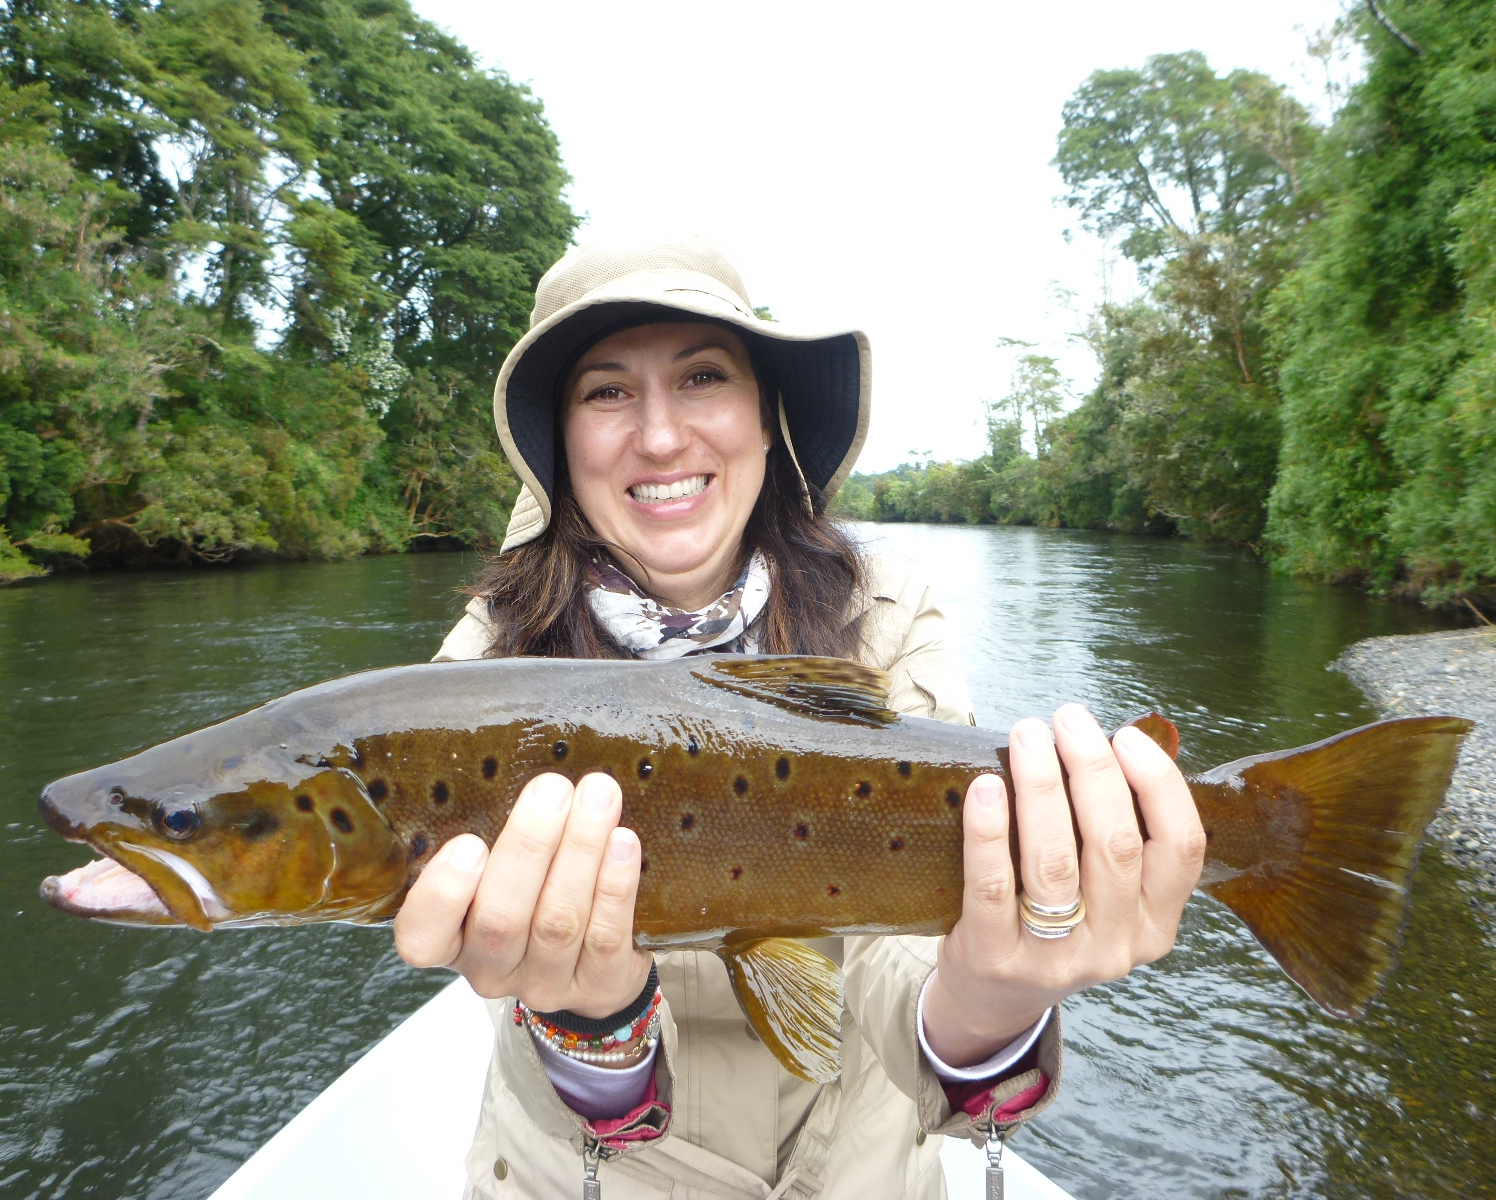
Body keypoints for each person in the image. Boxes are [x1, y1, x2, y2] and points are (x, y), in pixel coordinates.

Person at [393, 236, 1206, 1199]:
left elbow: (906, 978)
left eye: (703, 376)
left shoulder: (891, 611)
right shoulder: (483, 668)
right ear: (558, 444)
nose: (660, 437)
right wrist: (592, 1026)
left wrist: (1001, 994)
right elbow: (511, 992)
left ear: (768, 417)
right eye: (606, 392)